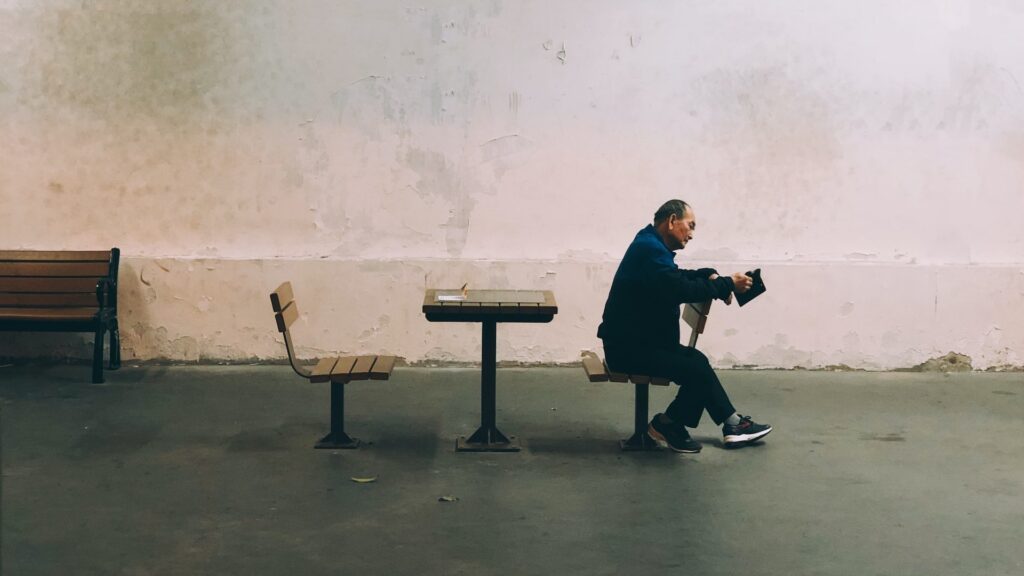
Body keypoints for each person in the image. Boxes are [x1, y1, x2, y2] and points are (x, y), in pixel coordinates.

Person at [597, 199, 772, 453]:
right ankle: (672, 424)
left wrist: (708, 274)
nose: (691, 234)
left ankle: (722, 424)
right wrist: (726, 284)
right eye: (690, 225)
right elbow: (679, 288)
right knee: (696, 369)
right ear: (671, 221)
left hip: (637, 344)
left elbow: (675, 277)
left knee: (697, 362)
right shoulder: (650, 250)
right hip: (628, 350)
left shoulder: (649, 243)